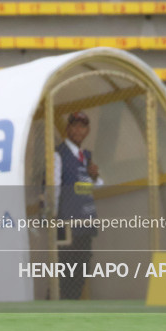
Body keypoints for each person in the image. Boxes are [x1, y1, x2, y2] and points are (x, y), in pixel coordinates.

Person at [54, 111, 103, 299]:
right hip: (67, 226)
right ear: (67, 129)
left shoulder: (86, 156)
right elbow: (54, 189)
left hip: (85, 225)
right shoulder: (59, 155)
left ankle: (67, 314)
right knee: (65, 275)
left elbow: (94, 186)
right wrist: (56, 223)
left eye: (82, 126)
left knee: (80, 274)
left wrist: (95, 176)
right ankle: (51, 315)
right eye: (74, 125)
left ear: (87, 131)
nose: (78, 130)